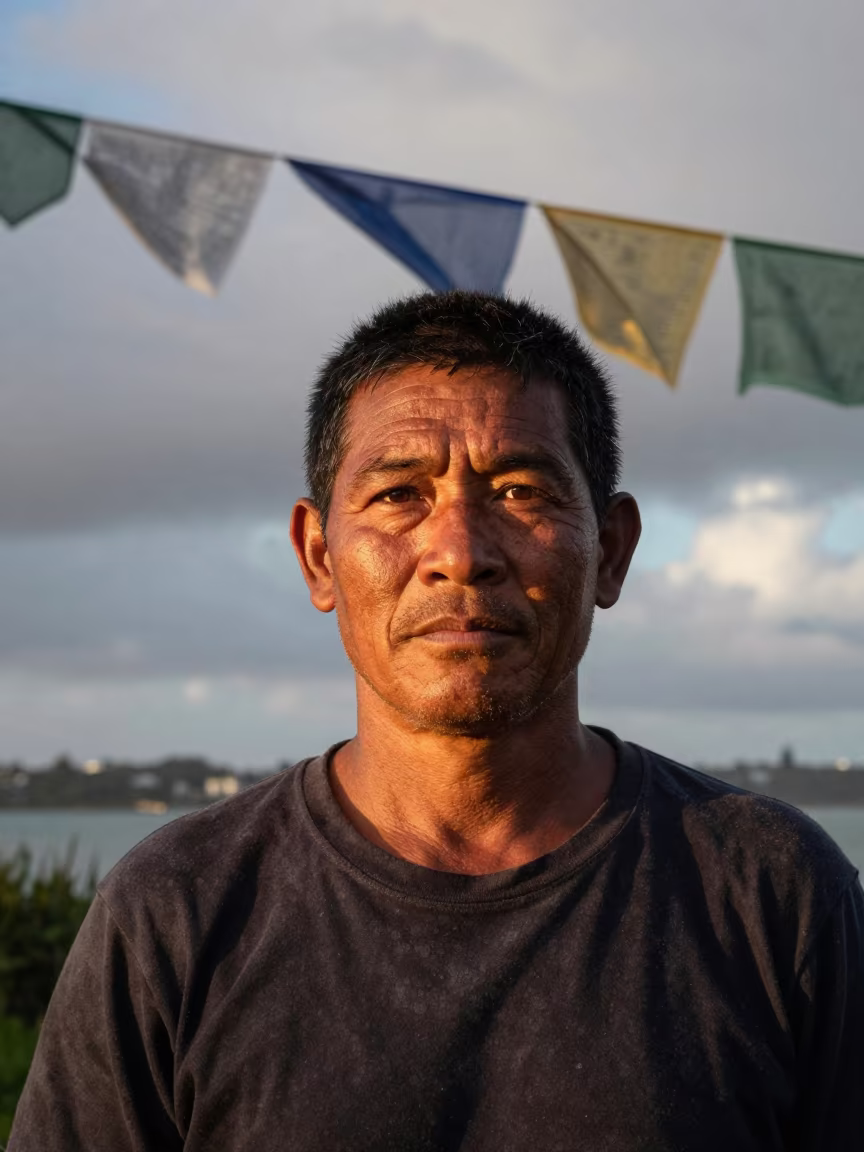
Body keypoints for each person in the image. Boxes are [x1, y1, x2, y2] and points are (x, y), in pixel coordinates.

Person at [10, 292, 863, 1151]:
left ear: (609, 549)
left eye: (520, 489)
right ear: (318, 557)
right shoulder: (178, 912)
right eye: (398, 494)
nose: (459, 552)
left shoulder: (772, 895)